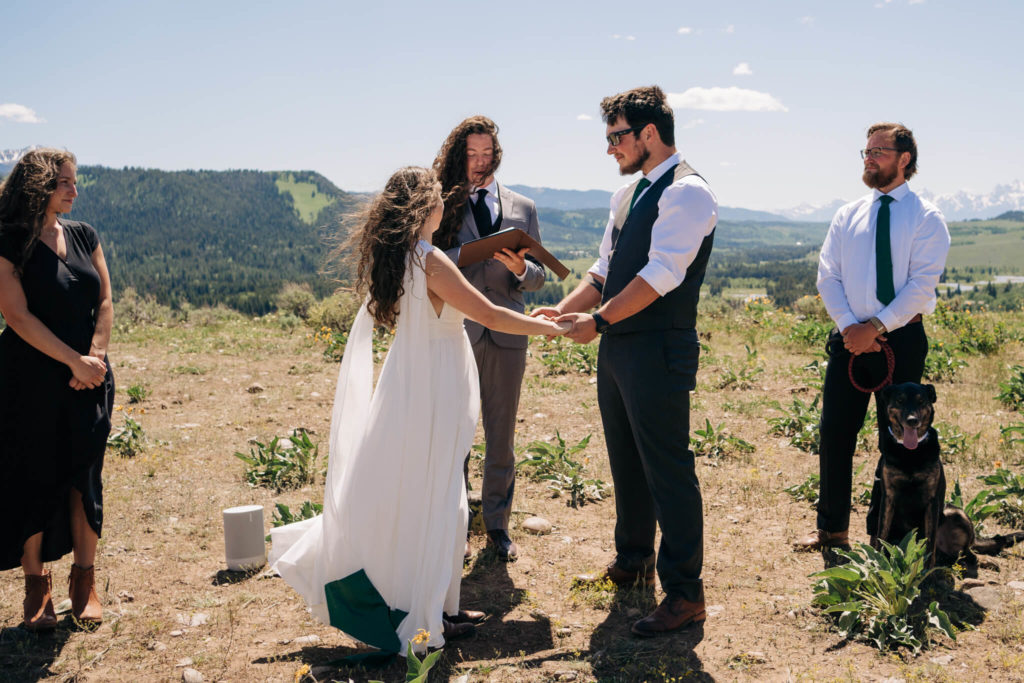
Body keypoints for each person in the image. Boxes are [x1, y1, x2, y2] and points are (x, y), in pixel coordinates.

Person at [269, 167, 566, 654]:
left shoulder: (405, 257)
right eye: (438, 201)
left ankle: (442, 604)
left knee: (440, 493)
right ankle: (429, 611)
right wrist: (548, 328)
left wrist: (535, 321)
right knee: (437, 493)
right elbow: (488, 314)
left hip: (416, 376)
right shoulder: (431, 260)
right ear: (428, 209)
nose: (444, 207)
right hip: (434, 382)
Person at [532, 86, 717, 636]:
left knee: (668, 469)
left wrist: (601, 322)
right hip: (617, 351)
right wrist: (560, 313)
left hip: (658, 348)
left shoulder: (689, 194)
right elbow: (603, 270)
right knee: (626, 462)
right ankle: (634, 561)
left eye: (617, 136)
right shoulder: (629, 196)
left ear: (649, 135)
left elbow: (661, 274)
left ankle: (686, 593)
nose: (611, 148)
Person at [794, 123, 950, 552]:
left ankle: (891, 536)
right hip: (849, 340)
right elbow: (828, 275)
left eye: (879, 150)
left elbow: (921, 287)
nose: (869, 156)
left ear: (905, 159)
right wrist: (850, 328)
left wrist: (876, 328)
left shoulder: (926, 217)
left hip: (901, 340)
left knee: (902, 435)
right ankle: (831, 531)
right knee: (835, 432)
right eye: (866, 150)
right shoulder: (848, 215)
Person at [0, 149, 114, 630]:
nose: (74, 189)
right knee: (34, 477)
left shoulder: (85, 234)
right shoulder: (10, 241)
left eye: (73, 181)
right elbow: (16, 315)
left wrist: (96, 357)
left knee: (84, 478)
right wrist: (73, 361)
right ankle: (37, 592)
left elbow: (105, 298)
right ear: (39, 187)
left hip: (89, 376)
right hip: (29, 380)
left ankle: (84, 585)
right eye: (64, 182)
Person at [432, 116, 546, 561]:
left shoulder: (524, 207)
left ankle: (497, 526)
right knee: (456, 433)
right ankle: (455, 526)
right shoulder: (442, 202)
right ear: (459, 156)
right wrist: (465, 255)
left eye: (486, 154)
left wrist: (521, 269)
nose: (478, 163)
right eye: (471, 155)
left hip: (508, 337)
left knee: (502, 436)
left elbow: (537, 278)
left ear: (497, 154)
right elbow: (429, 257)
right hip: (456, 332)